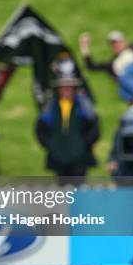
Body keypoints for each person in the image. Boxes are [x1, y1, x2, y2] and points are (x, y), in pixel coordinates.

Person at [35, 58, 100, 186]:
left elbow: (95, 128)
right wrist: (51, 145)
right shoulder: (51, 106)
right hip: (58, 157)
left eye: (69, 87)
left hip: (80, 157)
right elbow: (40, 129)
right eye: (63, 87)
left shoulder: (84, 106)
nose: (66, 91)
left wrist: (83, 144)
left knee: (79, 190)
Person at [80, 14, 133, 104]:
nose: (116, 45)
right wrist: (84, 46)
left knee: (125, 76)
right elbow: (91, 66)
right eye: (113, 44)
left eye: (118, 42)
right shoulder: (112, 62)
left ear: (125, 41)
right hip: (129, 79)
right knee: (122, 91)